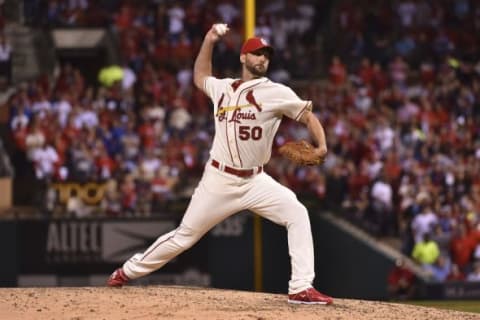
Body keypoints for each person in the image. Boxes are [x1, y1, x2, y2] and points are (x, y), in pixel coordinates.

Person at [107, 24, 333, 305]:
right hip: (219, 178)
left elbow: (309, 116)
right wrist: (209, 40)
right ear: (243, 58)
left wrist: (322, 145)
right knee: (184, 237)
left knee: (297, 213)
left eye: (266, 55)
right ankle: (126, 271)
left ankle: (300, 287)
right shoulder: (223, 88)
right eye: (256, 54)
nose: (262, 59)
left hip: (255, 181)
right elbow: (200, 75)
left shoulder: (277, 92)